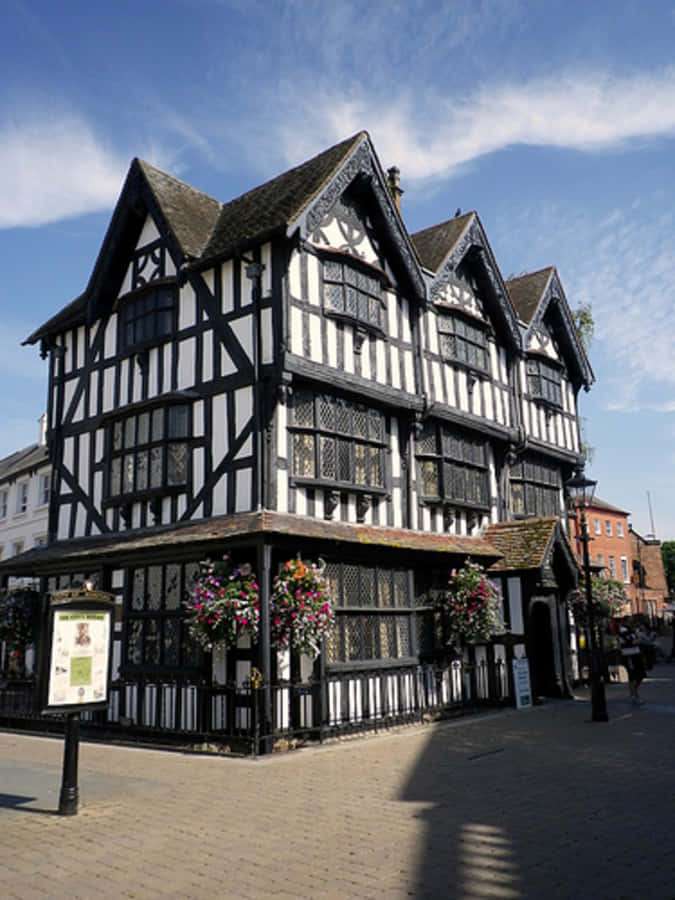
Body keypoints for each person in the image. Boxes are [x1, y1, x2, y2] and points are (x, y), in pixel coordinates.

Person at [618, 617, 646, 705]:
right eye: (630, 621)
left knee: (640, 675)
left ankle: (633, 693)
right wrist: (638, 640)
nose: (631, 623)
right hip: (629, 655)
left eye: (632, 621)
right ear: (625, 622)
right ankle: (634, 696)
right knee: (633, 675)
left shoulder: (631, 630)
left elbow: (637, 639)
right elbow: (631, 642)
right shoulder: (623, 631)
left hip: (636, 654)